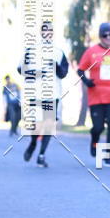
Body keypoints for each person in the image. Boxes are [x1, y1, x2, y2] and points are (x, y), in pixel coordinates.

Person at [77, 22, 110, 165]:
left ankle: (109, 154)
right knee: (98, 127)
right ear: (100, 36)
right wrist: (87, 81)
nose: (108, 37)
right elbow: (80, 70)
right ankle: (94, 140)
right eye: (105, 35)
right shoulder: (91, 52)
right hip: (96, 96)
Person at [18, 21, 69, 167]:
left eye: (50, 31)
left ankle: (41, 155)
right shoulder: (30, 50)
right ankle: (33, 143)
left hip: (53, 95)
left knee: (48, 125)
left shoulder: (58, 52)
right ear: (41, 32)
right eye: (45, 30)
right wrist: (34, 73)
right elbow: (20, 69)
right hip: (35, 94)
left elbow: (64, 73)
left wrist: (56, 66)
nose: (48, 33)